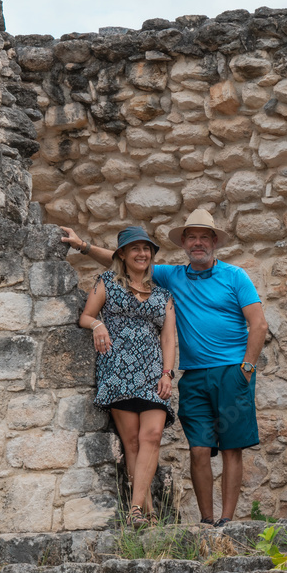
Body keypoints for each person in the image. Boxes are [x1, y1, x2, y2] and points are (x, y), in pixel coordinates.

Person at [61, 209, 268, 527]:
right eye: (192, 237)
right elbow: (125, 265)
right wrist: (83, 246)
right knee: (199, 449)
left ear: (214, 241)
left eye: (204, 237)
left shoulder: (235, 276)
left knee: (231, 447)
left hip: (232, 370)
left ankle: (226, 519)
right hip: (195, 374)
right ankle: (206, 520)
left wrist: (248, 368)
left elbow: (258, 324)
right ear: (185, 242)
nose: (198, 243)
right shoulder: (171, 277)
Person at [66, 225, 176, 529]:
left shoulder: (164, 294)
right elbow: (86, 316)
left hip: (153, 372)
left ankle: (135, 508)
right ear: (122, 255)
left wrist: (168, 373)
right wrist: (97, 326)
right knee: (132, 442)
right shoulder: (107, 283)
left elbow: (169, 338)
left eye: (147, 249)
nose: (142, 254)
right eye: (135, 249)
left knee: (151, 435)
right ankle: (146, 512)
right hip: (117, 371)